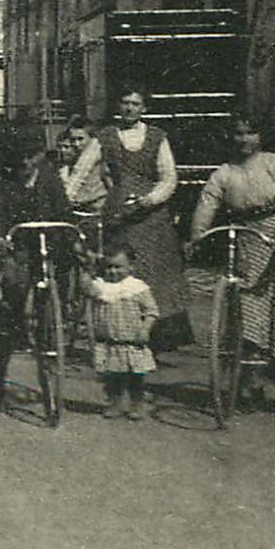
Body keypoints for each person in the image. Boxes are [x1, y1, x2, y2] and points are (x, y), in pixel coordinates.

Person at [187, 114, 275, 417]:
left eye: (250, 133)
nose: (243, 139)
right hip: (247, 243)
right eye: (238, 133)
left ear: (261, 136)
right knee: (247, 315)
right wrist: (197, 235)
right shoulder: (224, 173)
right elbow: (207, 203)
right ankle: (249, 383)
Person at [0, 128, 72, 410]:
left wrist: (69, 235)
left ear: (39, 157)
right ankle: (1, 371)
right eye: (20, 161)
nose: (26, 166)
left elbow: (63, 211)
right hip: (16, 247)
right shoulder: (2, 182)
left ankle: (54, 331)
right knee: (13, 297)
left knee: (62, 282)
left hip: (47, 246)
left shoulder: (50, 179)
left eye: (31, 158)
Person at [97, 88, 190, 352]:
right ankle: (120, 337)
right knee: (121, 273)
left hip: (151, 218)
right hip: (119, 217)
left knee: (156, 277)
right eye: (125, 102)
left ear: (144, 108)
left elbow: (169, 177)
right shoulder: (105, 136)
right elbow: (86, 170)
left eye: (135, 104)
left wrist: (149, 200)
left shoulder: (157, 137)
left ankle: (157, 340)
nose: (129, 108)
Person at [85, 239, 159, 420]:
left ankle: (137, 404)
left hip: (132, 342)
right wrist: (88, 266)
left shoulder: (137, 288)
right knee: (112, 378)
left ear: (131, 267)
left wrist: (145, 329)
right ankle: (115, 404)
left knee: (136, 377)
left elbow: (152, 311)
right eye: (109, 267)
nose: (113, 271)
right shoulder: (101, 286)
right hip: (110, 342)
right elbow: (86, 288)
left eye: (118, 267)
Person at [59, 117, 107, 215]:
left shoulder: (93, 150)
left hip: (95, 207)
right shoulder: (82, 152)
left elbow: (79, 176)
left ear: (92, 137)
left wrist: (64, 201)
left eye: (80, 139)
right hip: (85, 205)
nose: (76, 144)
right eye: (73, 140)